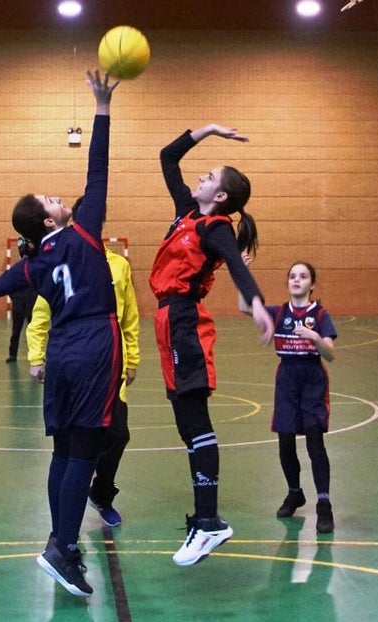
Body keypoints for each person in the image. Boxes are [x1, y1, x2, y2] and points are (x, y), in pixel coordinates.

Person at [0, 70, 121, 598]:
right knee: (84, 456)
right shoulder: (85, 230)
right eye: (50, 199)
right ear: (49, 222)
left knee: (63, 454)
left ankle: (59, 541)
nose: (58, 196)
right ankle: (62, 548)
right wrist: (102, 107)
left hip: (61, 352)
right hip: (94, 345)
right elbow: (98, 172)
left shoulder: (34, 266)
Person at [151, 122, 274, 567]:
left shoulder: (216, 227)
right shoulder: (188, 212)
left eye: (209, 176)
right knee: (185, 421)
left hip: (186, 319)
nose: (201, 178)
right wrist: (208, 131)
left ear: (221, 196)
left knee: (195, 417)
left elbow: (238, 271)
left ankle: (210, 522)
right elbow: (168, 157)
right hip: (166, 319)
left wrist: (257, 303)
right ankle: (204, 520)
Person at [27, 197, 139, 527]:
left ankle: (101, 492)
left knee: (118, 434)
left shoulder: (118, 265)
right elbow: (41, 312)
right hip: (75, 362)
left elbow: (129, 316)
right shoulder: (63, 259)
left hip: (111, 361)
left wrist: (132, 359)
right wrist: (36, 357)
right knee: (72, 445)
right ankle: (62, 531)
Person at [244, 261, 338, 534]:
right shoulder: (278, 312)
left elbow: (330, 353)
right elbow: (245, 307)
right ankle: (295, 492)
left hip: (312, 381)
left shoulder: (320, 315)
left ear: (312, 284)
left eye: (303, 276)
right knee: (285, 441)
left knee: (314, 441)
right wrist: (242, 271)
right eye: (292, 276)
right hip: (286, 380)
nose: (296, 280)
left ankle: (324, 505)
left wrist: (315, 338)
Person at [6, 241, 38, 363]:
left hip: (32, 303)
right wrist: (15, 298)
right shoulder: (17, 269)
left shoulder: (34, 269)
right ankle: (12, 354)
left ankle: (35, 355)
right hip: (19, 303)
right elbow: (9, 286)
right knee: (16, 330)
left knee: (33, 331)